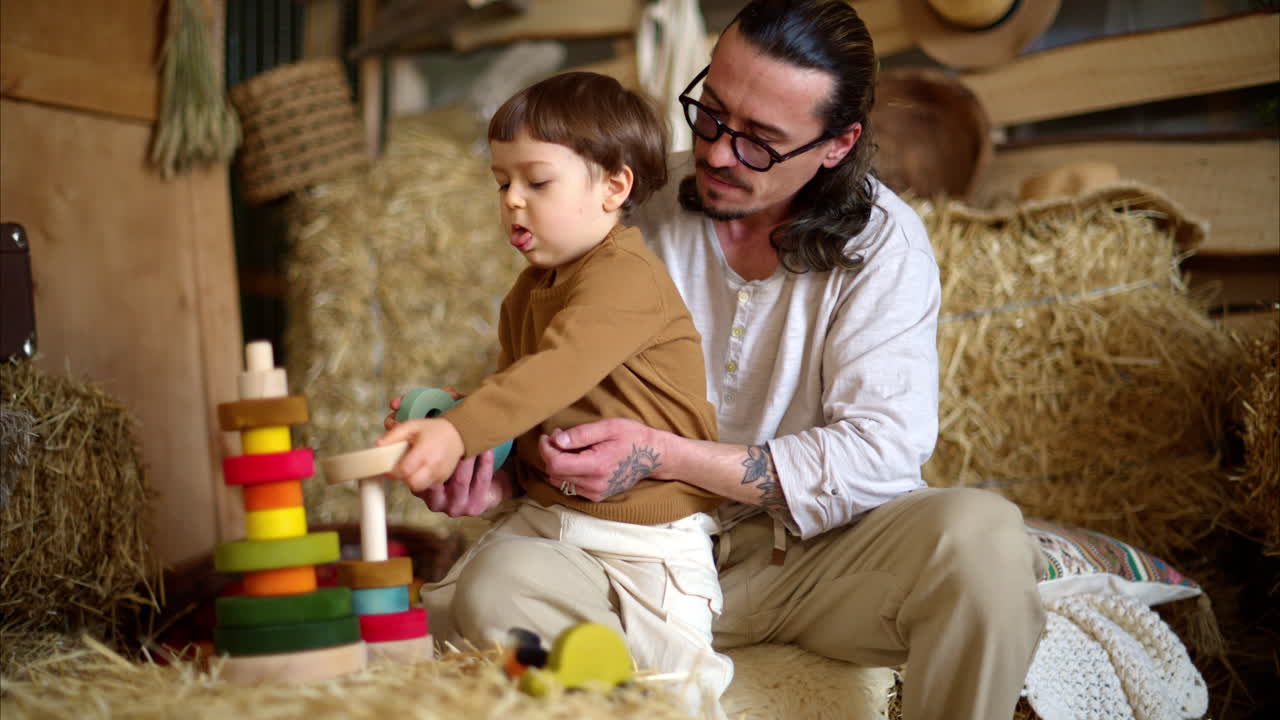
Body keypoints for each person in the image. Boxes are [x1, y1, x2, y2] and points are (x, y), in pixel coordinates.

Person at [410, 2, 1047, 719]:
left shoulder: (885, 247)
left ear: (837, 144)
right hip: (620, 548)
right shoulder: (628, 203)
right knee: (494, 586)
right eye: (710, 113)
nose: (716, 152)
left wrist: (666, 455)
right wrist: (487, 467)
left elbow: (882, 454)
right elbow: (553, 385)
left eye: (761, 142)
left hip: (810, 565)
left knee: (985, 539)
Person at [377, 71, 735, 714]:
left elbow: (553, 373)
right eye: (502, 183)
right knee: (449, 616)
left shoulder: (625, 277)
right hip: (550, 522)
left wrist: (459, 431)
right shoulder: (526, 293)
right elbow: (519, 401)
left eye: (537, 182)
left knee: (677, 693)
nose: (513, 200)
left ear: (614, 186)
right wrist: (467, 437)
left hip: (647, 542)